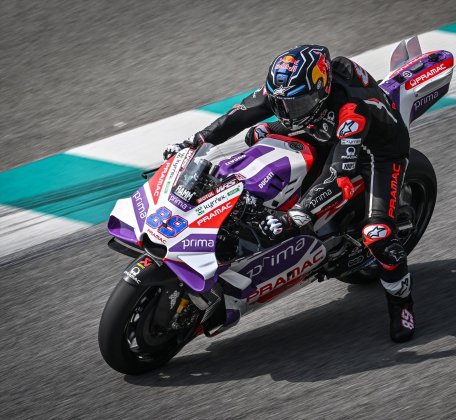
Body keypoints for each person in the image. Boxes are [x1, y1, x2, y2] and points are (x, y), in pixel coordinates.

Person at [164, 45, 415, 342]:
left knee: (378, 234)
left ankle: (402, 305)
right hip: (321, 124)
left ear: (322, 89)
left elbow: (339, 174)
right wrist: (194, 142)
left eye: (295, 104)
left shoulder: (351, 111)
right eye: (281, 103)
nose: (286, 110)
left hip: (375, 151)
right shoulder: (293, 92)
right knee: (255, 137)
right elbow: (240, 115)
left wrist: (300, 214)